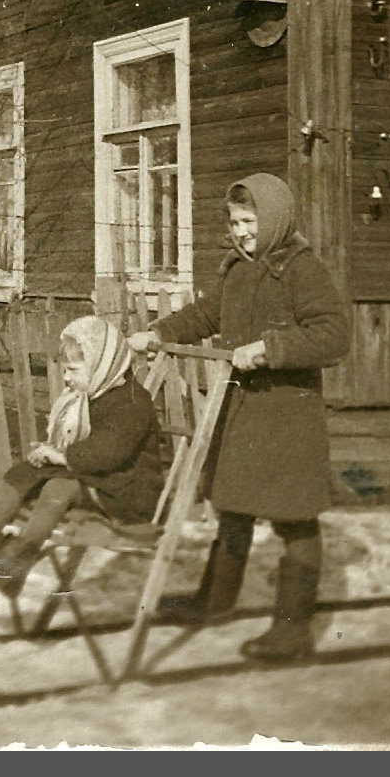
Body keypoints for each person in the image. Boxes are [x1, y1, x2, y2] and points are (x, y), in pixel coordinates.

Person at [128, 173, 351, 661]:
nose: (241, 231)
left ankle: (292, 631)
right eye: (234, 222)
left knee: (295, 520)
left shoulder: (301, 269)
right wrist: (159, 330)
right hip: (242, 411)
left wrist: (271, 349)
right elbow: (208, 314)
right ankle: (214, 602)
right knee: (233, 509)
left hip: (288, 416)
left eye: (249, 221)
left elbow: (334, 335)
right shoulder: (236, 268)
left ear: (273, 219)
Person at [0, 315, 164, 591]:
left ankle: (21, 555)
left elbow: (108, 452)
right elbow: (88, 446)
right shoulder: (95, 396)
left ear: (103, 366)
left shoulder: (132, 403)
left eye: (73, 370)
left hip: (128, 492)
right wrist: (50, 452)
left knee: (59, 487)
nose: (66, 378)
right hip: (101, 477)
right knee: (24, 471)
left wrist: (62, 457)